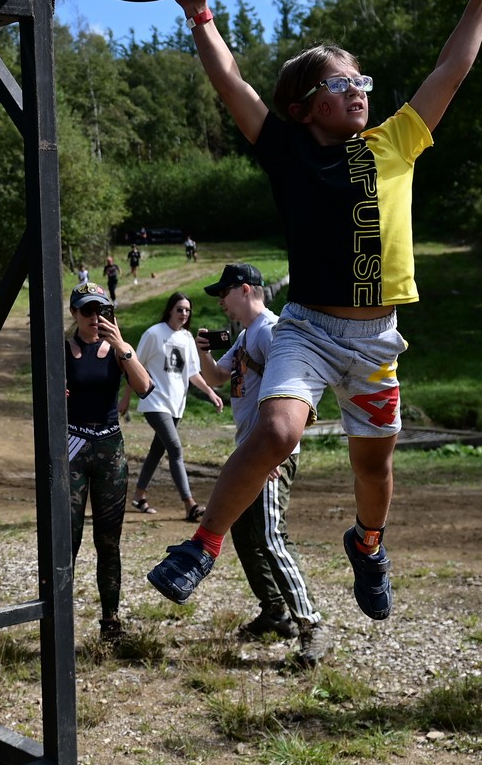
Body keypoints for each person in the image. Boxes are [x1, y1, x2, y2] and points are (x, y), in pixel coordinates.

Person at [147, 0, 482, 618]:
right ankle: (203, 544)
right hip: (310, 330)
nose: (357, 90)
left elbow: (451, 67)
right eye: (339, 83)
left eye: (361, 79)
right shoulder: (287, 152)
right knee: (277, 431)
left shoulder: (396, 140)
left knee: (373, 469)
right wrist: (200, 13)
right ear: (301, 107)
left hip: (376, 343)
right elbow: (231, 83)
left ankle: (368, 543)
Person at [197, 262, 329, 669]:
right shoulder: (244, 337)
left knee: (271, 536)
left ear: (246, 289)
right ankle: (274, 612)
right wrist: (202, 351)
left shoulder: (272, 331)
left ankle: (312, 626)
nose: (220, 299)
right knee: (244, 534)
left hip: (270, 457)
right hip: (250, 456)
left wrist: (274, 452)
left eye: (224, 291)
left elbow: (299, 391)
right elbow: (218, 377)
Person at [63, 285, 154, 641]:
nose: (94, 317)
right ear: (74, 313)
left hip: (109, 450)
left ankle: (110, 621)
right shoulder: (61, 350)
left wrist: (122, 347)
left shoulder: (118, 350)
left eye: (101, 310)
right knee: (66, 540)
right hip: (71, 447)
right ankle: (59, 620)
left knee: (108, 541)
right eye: (87, 310)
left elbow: (145, 387)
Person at [128, 292, 225, 519]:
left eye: (187, 310)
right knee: (175, 448)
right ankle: (189, 504)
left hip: (176, 403)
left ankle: (139, 495)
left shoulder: (187, 339)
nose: (183, 314)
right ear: (170, 309)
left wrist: (211, 392)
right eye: (180, 309)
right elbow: (134, 365)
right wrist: (126, 398)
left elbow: (192, 373)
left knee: (157, 451)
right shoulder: (154, 333)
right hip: (154, 401)